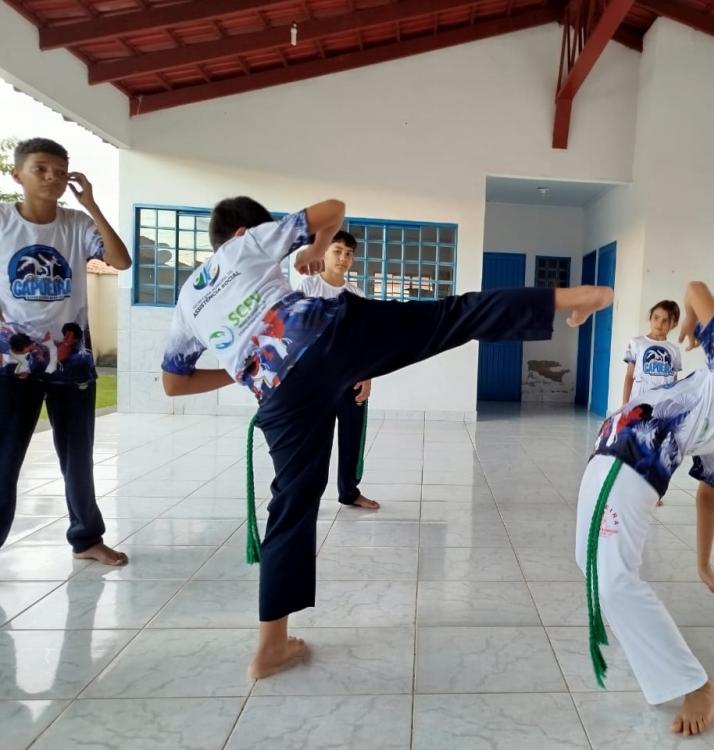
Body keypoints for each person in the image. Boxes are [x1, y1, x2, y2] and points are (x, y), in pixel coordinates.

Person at [159, 195, 613, 679]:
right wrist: (315, 244)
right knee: (451, 317)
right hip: (329, 336)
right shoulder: (244, 247)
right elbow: (333, 207)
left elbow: (173, 383)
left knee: (290, 507)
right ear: (242, 233)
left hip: (278, 393)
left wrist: (247, 369)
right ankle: (573, 297)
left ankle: (269, 647)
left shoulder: (187, 299)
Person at [576, 280, 714, 737]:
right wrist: (704, 564)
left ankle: (697, 685)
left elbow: (695, 288)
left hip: (629, 462)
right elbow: (708, 492)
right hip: (620, 460)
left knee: (614, 581)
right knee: (594, 565)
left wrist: (690, 327)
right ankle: (657, 658)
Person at [0, 138, 132, 565]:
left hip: (70, 360)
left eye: (60, 169)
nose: (52, 177)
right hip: (10, 361)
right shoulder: (3, 221)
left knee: (78, 456)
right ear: (17, 174)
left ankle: (86, 538)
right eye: (41, 168)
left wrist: (92, 204)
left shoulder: (77, 224)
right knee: (5, 457)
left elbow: (121, 261)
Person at [296, 230, 379, 510]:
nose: (343, 258)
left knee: (352, 437)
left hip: (350, 380)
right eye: (337, 251)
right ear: (325, 253)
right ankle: (306, 494)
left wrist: (367, 376)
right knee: (314, 441)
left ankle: (349, 492)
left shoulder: (356, 294)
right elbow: (293, 336)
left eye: (349, 253)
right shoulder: (307, 288)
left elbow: (366, 341)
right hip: (314, 382)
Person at [622, 300, 682, 404]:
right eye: (656, 317)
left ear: (673, 324)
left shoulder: (675, 350)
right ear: (650, 317)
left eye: (665, 320)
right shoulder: (637, 343)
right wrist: (624, 405)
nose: (659, 324)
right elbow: (629, 376)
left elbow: (674, 382)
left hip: (663, 404)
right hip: (639, 402)